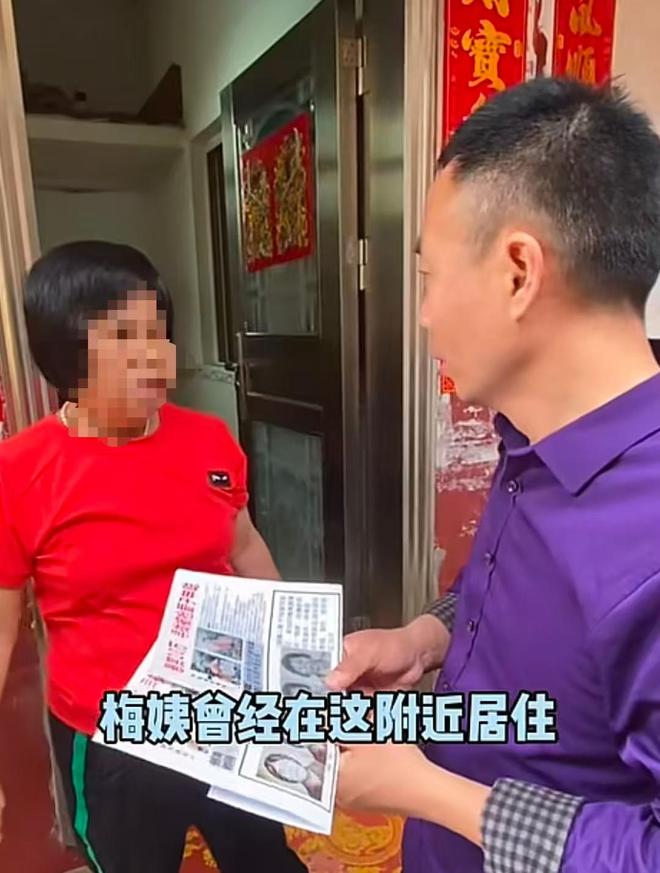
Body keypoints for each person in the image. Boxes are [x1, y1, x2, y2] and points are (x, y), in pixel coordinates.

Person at [328, 78, 660, 873]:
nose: (424, 315)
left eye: (429, 278)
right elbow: (534, 603)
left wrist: (429, 792)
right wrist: (425, 637)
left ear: (518, 271)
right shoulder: (538, 436)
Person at [0, 241, 306, 873]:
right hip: (112, 733)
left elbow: (243, 545)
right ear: (66, 351)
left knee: (264, 859)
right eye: (121, 336)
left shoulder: (208, 439)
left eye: (156, 332)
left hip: (224, 712)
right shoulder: (19, 471)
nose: (151, 355)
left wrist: (298, 659)